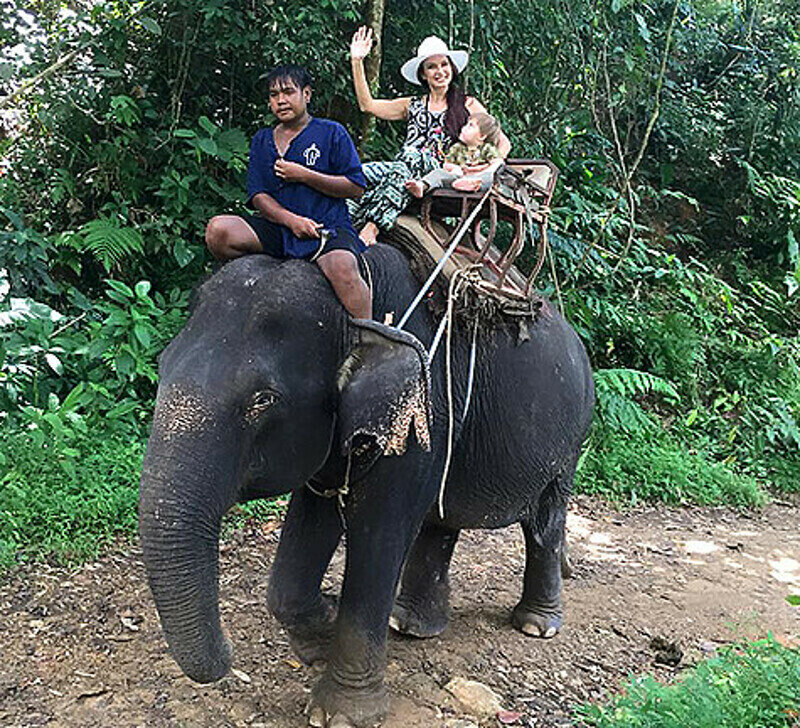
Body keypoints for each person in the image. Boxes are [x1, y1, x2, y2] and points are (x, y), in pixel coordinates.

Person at [205, 65, 372, 319]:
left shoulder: (331, 132)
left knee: (342, 268)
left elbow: (356, 187)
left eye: (288, 92)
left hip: (325, 229)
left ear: (306, 94)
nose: (280, 100)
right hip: (281, 230)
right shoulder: (263, 139)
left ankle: (370, 337)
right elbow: (258, 194)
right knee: (218, 230)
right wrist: (291, 221)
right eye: (274, 94)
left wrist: (305, 175)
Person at [348, 28, 511, 245]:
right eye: (432, 66)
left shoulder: (468, 104)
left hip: (440, 170)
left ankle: (372, 226)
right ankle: (340, 223)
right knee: (358, 174)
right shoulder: (412, 105)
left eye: (444, 65)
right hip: (405, 169)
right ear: (423, 74)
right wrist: (357, 61)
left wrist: (482, 169)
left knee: (412, 156)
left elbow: (503, 142)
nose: (439, 71)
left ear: (451, 68)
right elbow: (366, 105)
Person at [405, 112, 503, 198]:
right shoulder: (457, 148)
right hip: (458, 179)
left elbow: (498, 164)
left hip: (479, 180)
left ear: (482, 136)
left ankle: (472, 184)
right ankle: (421, 186)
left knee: (491, 177)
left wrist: (480, 171)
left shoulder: (487, 148)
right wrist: (457, 169)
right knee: (439, 173)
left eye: (471, 126)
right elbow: (446, 165)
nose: (464, 128)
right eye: (466, 124)